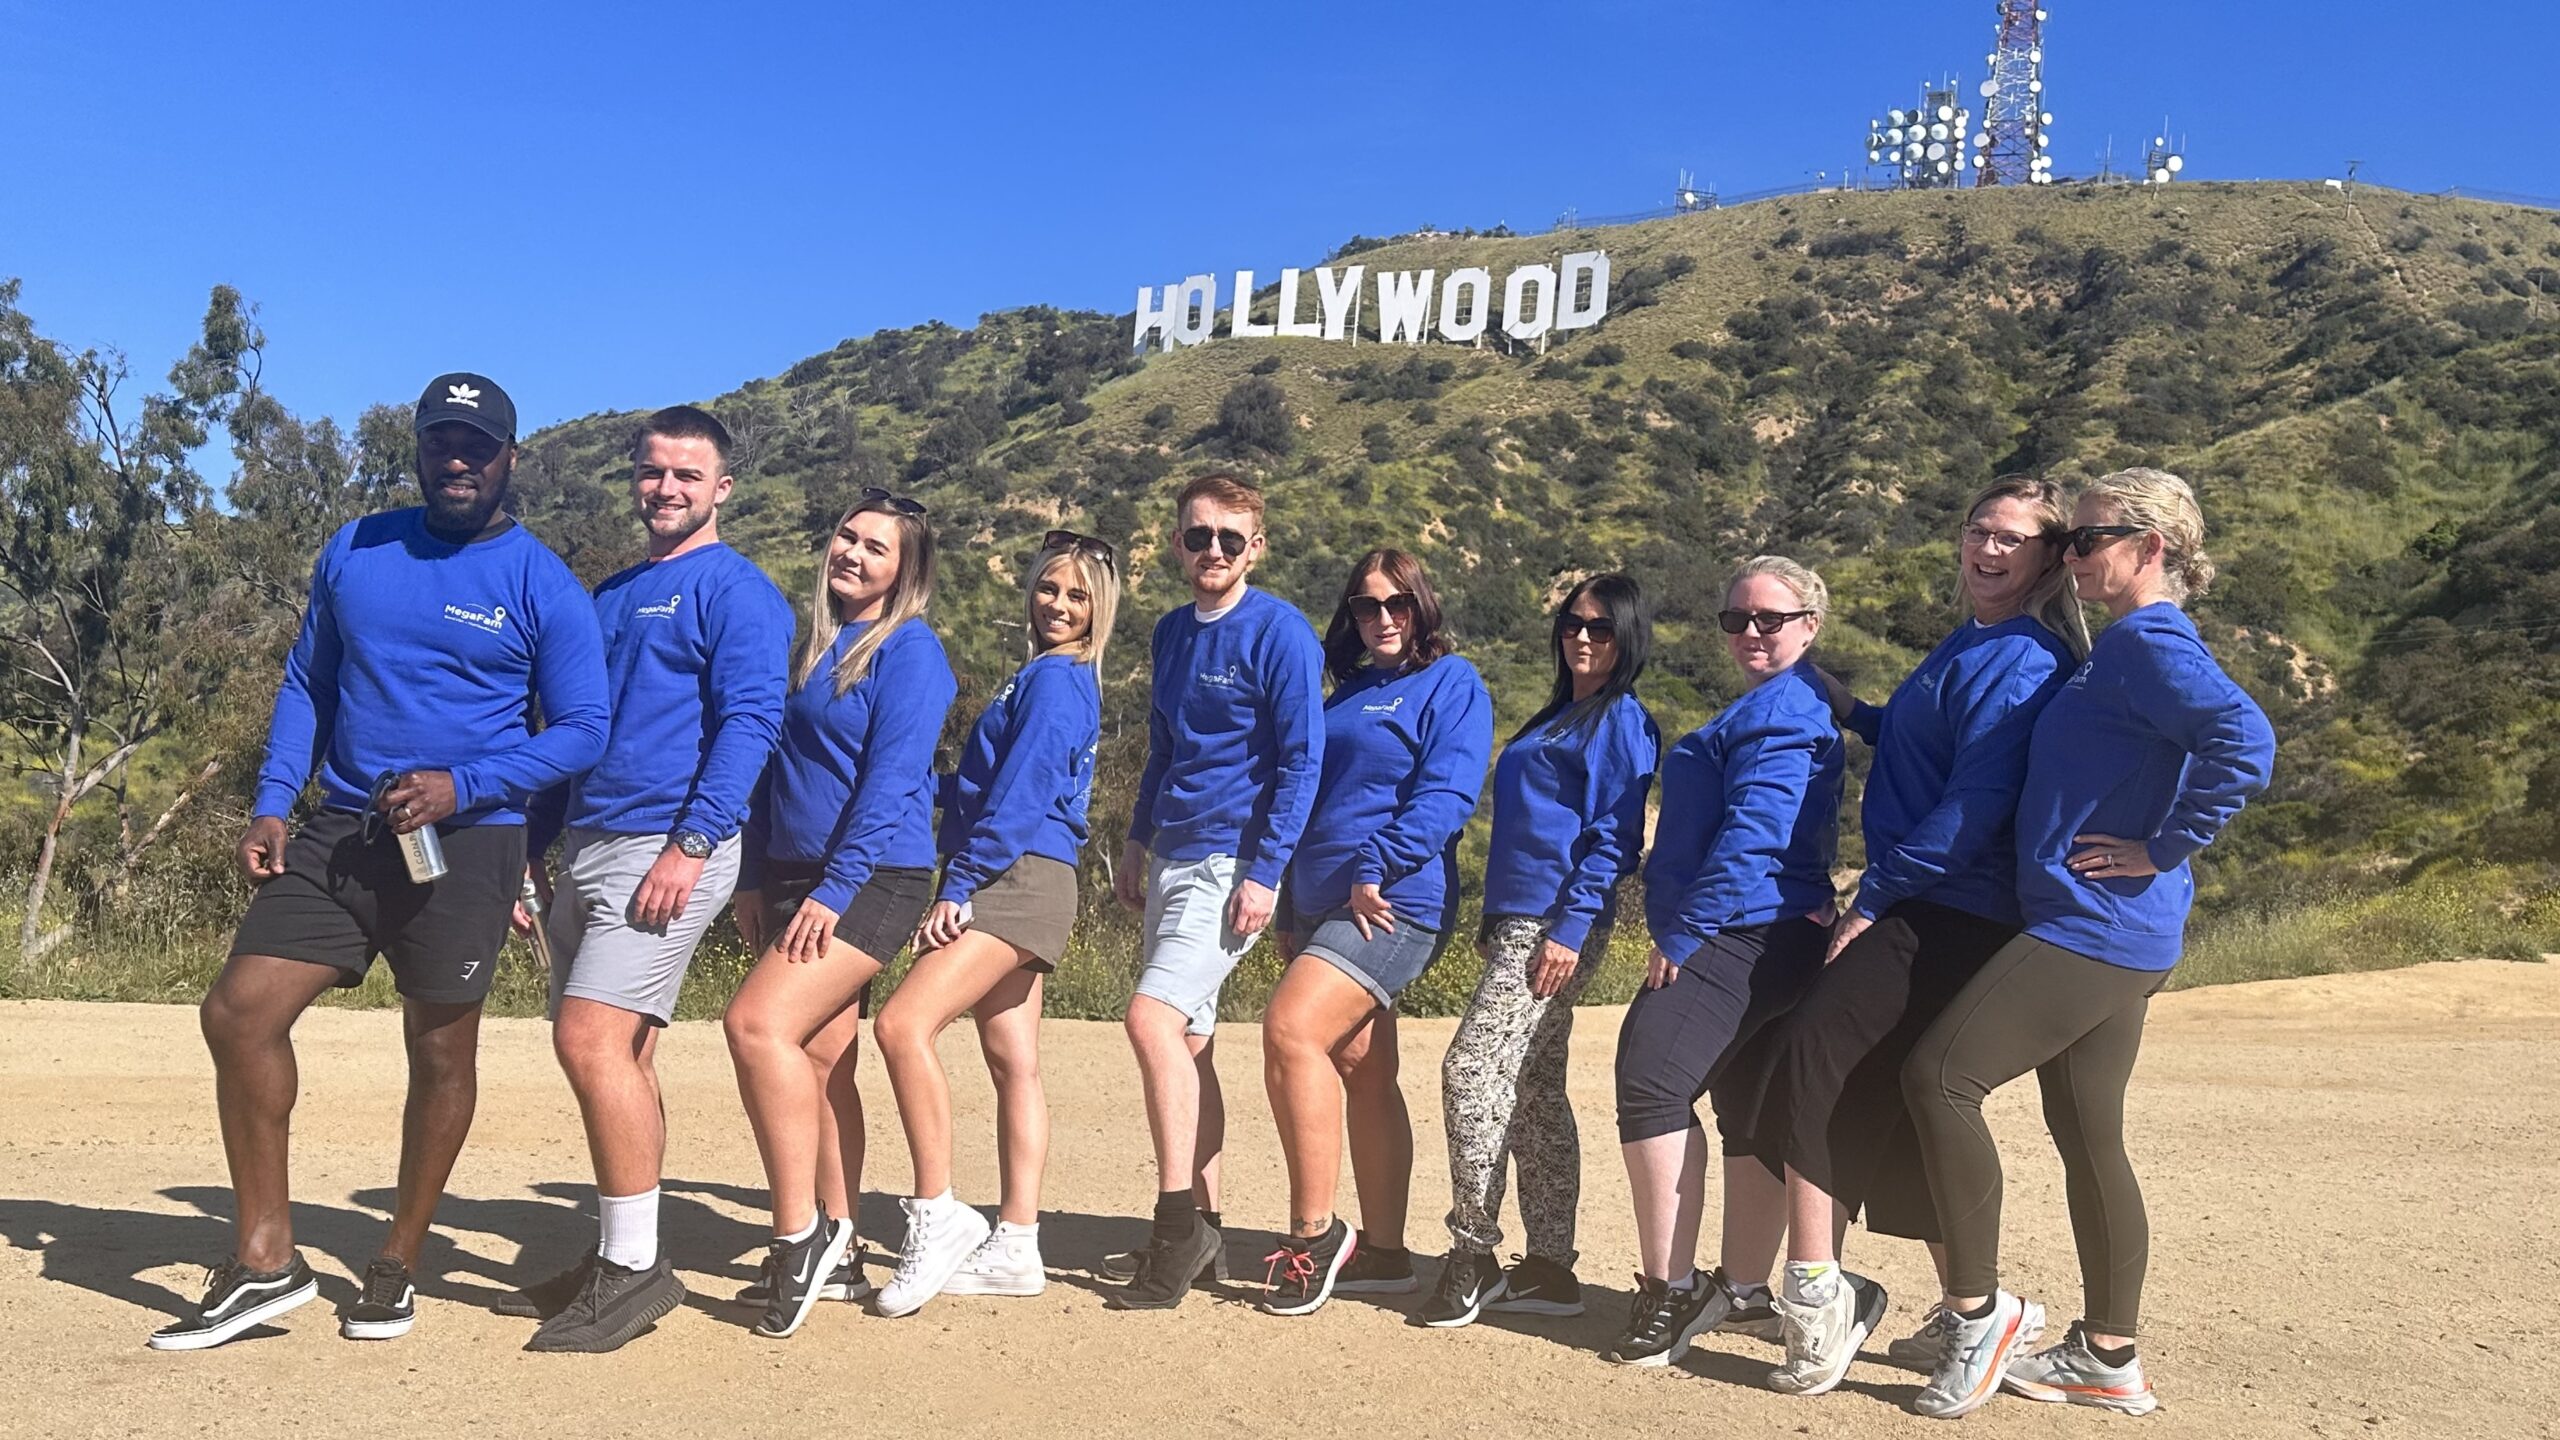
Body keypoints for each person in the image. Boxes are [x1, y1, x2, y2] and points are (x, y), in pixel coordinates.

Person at [151, 374, 609, 1351]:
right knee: (238, 1012)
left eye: (477, 447)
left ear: (509, 460)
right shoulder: (357, 550)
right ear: (416, 449)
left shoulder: (541, 583)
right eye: (442, 442)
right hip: (346, 829)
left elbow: (580, 730)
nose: (458, 461)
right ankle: (266, 1259)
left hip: (467, 842)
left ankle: (398, 1257)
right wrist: (275, 800)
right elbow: (306, 685)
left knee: (440, 1050)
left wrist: (466, 784)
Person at [1902, 468, 2274, 1419]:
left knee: (1938, 1079)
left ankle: (1978, 1315)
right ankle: (2109, 1356)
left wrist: (2162, 846)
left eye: (2086, 538)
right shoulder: (2123, 648)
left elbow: (2246, 739)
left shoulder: (2149, 641)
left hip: (2093, 928)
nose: (2068, 555)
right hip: (2121, 934)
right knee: (2088, 1137)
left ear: (2149, 549)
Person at [1739, 478, 2087, 1396]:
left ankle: (1821, 1296)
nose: (1991, 548)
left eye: (2015, 539)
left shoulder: (2023, 657)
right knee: (1884, 1087)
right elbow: (1921, 747)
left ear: (2051, 559)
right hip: (1928, 898)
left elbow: (1974, 803)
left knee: (1813, 1048)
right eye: (1981, 529)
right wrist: (1853, 711)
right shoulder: (1971, 642)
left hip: (1952, 906)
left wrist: (1870, 900)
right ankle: (1966, 1308)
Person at [494, 406, 793, 1352]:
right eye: (652, 472)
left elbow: (751, 723)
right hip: (584, 839)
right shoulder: (610, 591)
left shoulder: (739, 591)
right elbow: (569, 726)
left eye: (687, 476)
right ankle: (627, 1250)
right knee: (623, 1055)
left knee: (588, 1040)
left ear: (722, 488)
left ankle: (631, 1274)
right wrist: (528, 844)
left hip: (666, 845)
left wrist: (693, 845)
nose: (667, 489)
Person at [723, 487, 955, 1340]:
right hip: (790, 871)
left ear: (907, 571)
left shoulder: (911, 653)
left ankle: (798, 1240)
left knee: (755, 1027)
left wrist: (831, 890)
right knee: (821, 1059)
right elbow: (770, 771)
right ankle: (844, 1241)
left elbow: (892, 784)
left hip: (872, 875)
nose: (852, 554)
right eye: (846, 536)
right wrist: (753, 877)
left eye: (876, 548)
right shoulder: (813, 647)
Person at [868, 531, 1117, 1317]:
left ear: (1099, 610)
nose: (1059, 605)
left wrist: (960, 886)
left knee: (903, 1026)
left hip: (1016, 879)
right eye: (1050, 589)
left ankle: (937, 1212)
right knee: (1015, 1062)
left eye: (1078, 597)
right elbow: (989, 785)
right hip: (1034, 875)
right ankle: (1017, 1243)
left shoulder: (1057, 683)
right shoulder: (1046, 677)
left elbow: (1018, 797)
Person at [1604, 557, 1842, 1369]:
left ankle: (1664, 1293)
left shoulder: (1781, 714)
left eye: (1769, 619)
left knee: (1650, 1079)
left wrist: (1682, 933)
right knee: (1744, 1102)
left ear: (1810, 625)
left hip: (1742, 930)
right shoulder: (1786, 702)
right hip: (1773, 928)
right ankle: (1740, 1291)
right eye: (1736, 618)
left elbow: (1756, 835)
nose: (1748, 632)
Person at [1103, 473, 1325, 1310]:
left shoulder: (1279, 633)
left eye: (1231, 540)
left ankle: (1173, 1228)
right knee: (1190, 1044)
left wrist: (1267, 872)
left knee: (1149, 1018)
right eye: (1200, 537)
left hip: (1232, 862)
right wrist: (1135, 839)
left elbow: (1302, 761)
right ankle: (1208, 1224)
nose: (1214, 553)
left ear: (1256, 548)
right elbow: (1162, 747)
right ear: (1176, 541)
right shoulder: (1169, 634)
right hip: (1172, 856)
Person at [1257, 550, 1492, 1316]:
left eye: (1398, 604)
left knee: (1292, 1030)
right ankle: (1387, 1254)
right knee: (1363, 1070)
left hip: (1392, 903)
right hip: (1325, 906)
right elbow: (1305, 809)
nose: (1383, 618)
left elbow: (1449, 793)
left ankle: (1314, 1236)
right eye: (1366, 606)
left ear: (1423, 607)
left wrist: (1377, 867)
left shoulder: (1451, 682)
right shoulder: (1347, 693)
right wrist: (1293, 911)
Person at [1421, 575, 1659, 1329]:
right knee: (1532, 1090)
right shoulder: (1564, 715)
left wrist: (1569, 927)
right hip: (1524, 919)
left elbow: (1615, 839)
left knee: (1467, 1069)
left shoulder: (1621, 720)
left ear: (1628, 639)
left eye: (1601, 628)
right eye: (1572, 624)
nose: (1582, 638)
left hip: (1556, 923)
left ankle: (1474, 1251)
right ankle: (1552, 1266)